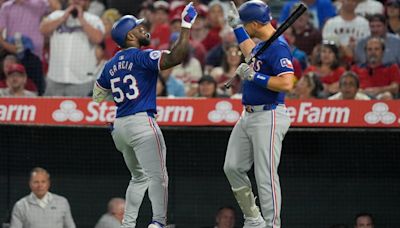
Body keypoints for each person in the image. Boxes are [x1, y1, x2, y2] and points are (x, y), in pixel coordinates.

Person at [91, 3, 197, 228]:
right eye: (139, 28)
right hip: (141, 123)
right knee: (159, 177)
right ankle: (158, 222)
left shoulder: (110, 65)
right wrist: (186, 25)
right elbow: (176, 57)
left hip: (119, 127)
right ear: (130, 35)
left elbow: (97, 96)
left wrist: (120, 102)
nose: (144, 30)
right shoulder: (141, 57)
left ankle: (128, 224)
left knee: (138, 177)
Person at [223, 1, 295, 227]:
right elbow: (249, 50)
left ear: (255, 23)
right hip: (248, 115)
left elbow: (286, 83)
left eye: (245, 24)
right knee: (232, 167)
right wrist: (235, 27)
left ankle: (272, 224)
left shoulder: (279, 47)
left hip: (269, 115)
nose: (244, 27)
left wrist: (255, 77)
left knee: (266, 176)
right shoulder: (263, 44)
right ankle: (254, 218)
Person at [40, 0, 105, 96]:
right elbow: (43, 29)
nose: (76, 1)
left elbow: (98, 38)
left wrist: (81, 19)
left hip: (81, 80)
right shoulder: (56, 15)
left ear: (87, 2)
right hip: (55, 78)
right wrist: (63, 18)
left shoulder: (93, 19)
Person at [9, 167, 76, 228]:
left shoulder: (62, 202)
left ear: (48, 183)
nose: (40, 185)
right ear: (30, 184)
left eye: (43, 182)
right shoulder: (20, 206)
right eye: (36, 182)